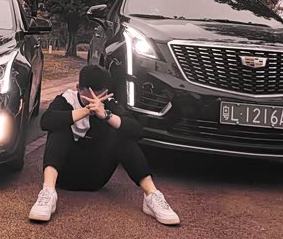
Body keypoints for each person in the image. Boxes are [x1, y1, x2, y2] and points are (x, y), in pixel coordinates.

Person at [28, 64, 180, 225]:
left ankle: (152, 195)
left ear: (106, 92)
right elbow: (46, 122)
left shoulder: (109, 104)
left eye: (100, 95)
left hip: (96, 176)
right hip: (65, 175)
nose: (96, 100)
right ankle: (48, 192)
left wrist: (107, 116)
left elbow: (137, 131)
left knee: (122, 131)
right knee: (58, 128)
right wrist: (86, 111)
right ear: (78, 88)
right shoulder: (66, 99)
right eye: (90, 95)